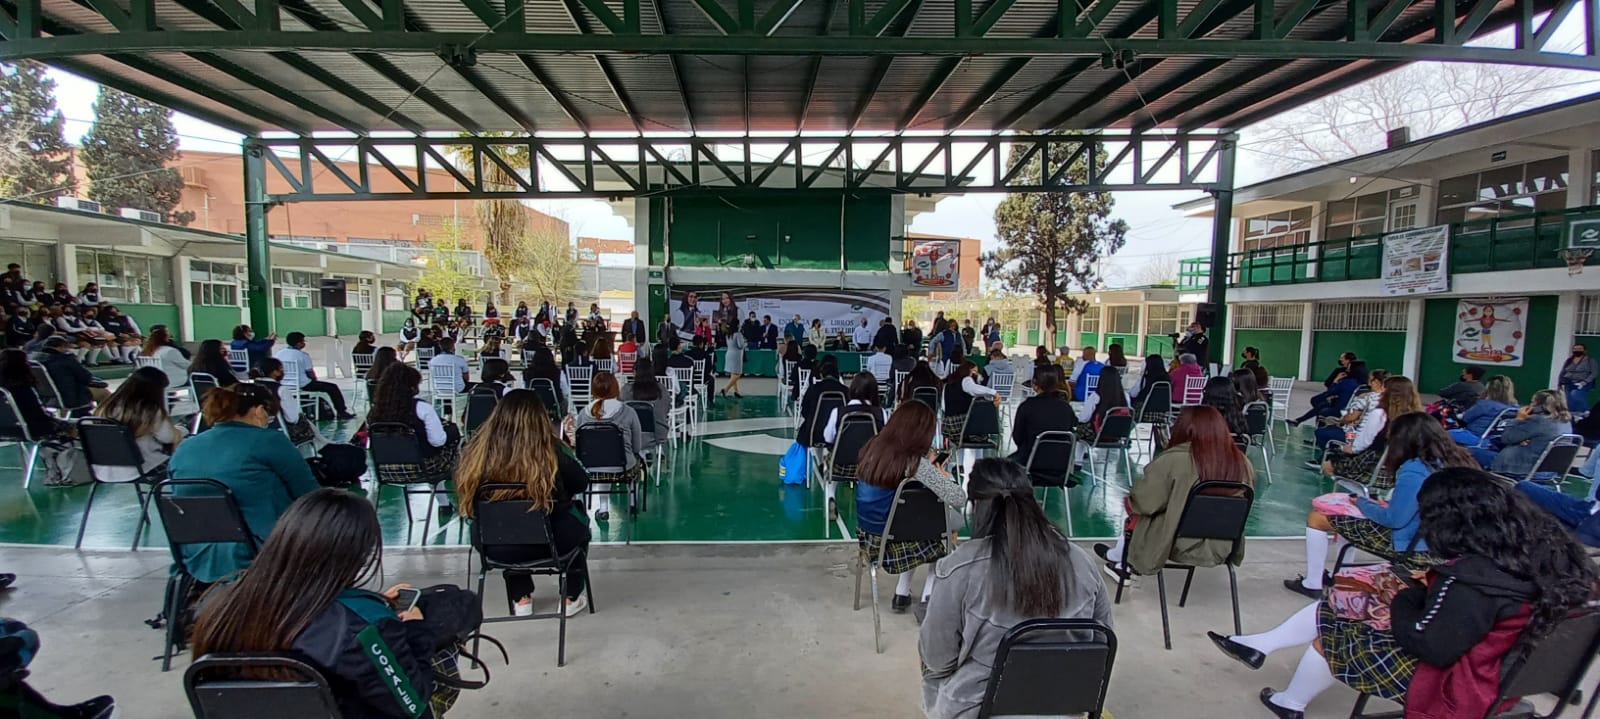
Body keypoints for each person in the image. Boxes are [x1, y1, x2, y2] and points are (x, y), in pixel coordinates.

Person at [1209, 467, 1597, 719]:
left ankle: (1288, 700)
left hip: (1460, 688)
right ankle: (1261, 648)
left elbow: (1429, 644)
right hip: (1513, 674)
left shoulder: (1470, 579)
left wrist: (1407, 594)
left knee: (1336, 624)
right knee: (1355, 598)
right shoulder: (1554, 557)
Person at [189, 489, 456, 718]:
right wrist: (417, 632)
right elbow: (412, 704)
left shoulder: (220, 604)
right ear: (356, 555)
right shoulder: (362, 628)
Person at [1285, 412, 1478, 598]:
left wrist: (1361, 502)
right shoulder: (1457, 461)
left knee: (1318, 518)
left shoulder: (1414, 469)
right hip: (1447, 543)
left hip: (1412, 546)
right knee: (1347, 519)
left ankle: (1312, 583)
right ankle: (1341, 574)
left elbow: (1393, 519)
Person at [455, 390, 591, 617]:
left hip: (493, 544)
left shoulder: (477, 452)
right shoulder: (552, 451)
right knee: (578, 522)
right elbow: (580, 482)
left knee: (507, 525)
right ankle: (570, 596)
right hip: (553, 541)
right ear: (539, 418)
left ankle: (520, 598)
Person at [168, 382, 320, 583]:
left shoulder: (186, 447)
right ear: (258, 411)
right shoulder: (268, 440)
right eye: (269, 415)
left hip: (194, 552)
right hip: (256, 549)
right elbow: (308, 493)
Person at [1095, 406, 1254, 576]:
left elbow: (1144, 503)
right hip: (1223, 546)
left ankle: (1123, 563)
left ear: (1183, 428)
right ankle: (1120, 558)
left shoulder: (1173, 460)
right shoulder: (1243, 463)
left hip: (1174, 544)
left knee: (1139, 511)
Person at [855, 401, 967, 621]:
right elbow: (958, 497)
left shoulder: (872, 447)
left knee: (917, 515)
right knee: (945, 524)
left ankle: (902, 592)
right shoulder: (915, 463)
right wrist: (943, 475)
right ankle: (928, 598)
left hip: (868, 537)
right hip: (894, 546)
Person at [367, 364, 461, 518]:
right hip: (423, 468)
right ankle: (448, 502)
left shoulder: (375, 412)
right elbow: (438, 441)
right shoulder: (422, 408)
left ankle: (445, 504)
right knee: (452, 446)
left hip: (385, 471)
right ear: (411, 386)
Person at [92, 367, 186, 482]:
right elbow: (168, 438)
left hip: (103, 471)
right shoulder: (148, 410)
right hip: (139, 469)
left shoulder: (105, 407)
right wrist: (181, 430)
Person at [1320, 375, 1421, 482]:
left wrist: (1350, 448)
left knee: (1328, 465)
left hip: (1372, 465)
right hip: (1397, 470)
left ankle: (1346, 495)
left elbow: (1364, 441)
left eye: (1383, 388)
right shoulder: (1416, 416)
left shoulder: (1379, 414)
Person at [574, 372, 645, 522]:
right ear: (616, 388)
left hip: (591, 468)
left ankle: (604, 508)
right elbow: (637, 446)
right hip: (623, 467)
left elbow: (578, 445)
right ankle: (632, 503)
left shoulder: (583, 414)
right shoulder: (628, 412)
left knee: (602, 460)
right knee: (635, 463)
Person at [820, 373, 887, 518]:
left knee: (828, 461)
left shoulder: (838, 412)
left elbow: (827, 438)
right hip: (870, 467)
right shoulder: (881, 413)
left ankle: (830, 496)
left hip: (841, 466)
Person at [1472, 389, 1573, 476]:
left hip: (1521, 468)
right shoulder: (1565, 422)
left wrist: (1518, 419)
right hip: (1550, 471)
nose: (1529, 405)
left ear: (1540, 407)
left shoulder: (1536, 421)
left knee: (1469, 452)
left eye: (1532, 402)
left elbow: (1506, 438)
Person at [272, 332, 356, 420]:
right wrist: (315, 381)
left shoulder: (279, 354)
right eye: (303, 341)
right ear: (299, 343)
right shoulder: (303, 355)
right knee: (333, 387)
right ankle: (342, 412)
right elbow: (310, 373)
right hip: (303, 384)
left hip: (284, 384)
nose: (304, 343)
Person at [1309, 369, 1389, 454]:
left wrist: (1341, 420)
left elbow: (1351, 418)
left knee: (1322, 432)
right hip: (1378, 441)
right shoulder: (1390, 399)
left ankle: (1329, 458)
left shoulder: (1366, 398)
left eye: (1370, 378)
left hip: (1355, 436)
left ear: (1375, 381)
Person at [1007, 365, 1075, 464]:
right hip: (1061, 463)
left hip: (1031, 460)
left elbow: (1018, 436)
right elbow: (1072, 430)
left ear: (1034, 384)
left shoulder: (1027, 406)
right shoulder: (1066, 407)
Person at [0, 348, 69, 439]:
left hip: (4, 429)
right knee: (68, 426)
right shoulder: (23, 390)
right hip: (27, 428)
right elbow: (36, 415)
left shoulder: (3, 390)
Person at [29, 336, 110, 409]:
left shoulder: (34, 359)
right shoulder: (66, 359)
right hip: (70, 397)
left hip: (45, 398)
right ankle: (101, 419)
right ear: (62, 347)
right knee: (105, 393)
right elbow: (86, 378)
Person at [1289, 360, 1369, 426]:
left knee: (1321, 408)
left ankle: (1317, 430)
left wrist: (1336, 381)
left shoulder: (1347, 382)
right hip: (1355, 410)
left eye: (1348, 368)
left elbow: (1330, 392)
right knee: (1322, 405)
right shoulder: (1364, 384)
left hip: (1341, 409)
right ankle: (1299, 420)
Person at [1449, 375, 1517, 446]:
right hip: (1498, 442)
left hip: (1477, 439)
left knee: (1445, 433)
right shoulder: (1516, 408)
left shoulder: (1485, 405)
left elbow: (1465, 419)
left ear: (1489, 389)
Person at [942, 359, 999, 443]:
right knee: (983, 410)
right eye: (974, 371)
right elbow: (975, 388)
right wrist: (994, 393)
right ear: (968, 371)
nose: (976, 374)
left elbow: (943, 407)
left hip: (948, 425)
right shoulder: (966, 380)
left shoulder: (949, 383)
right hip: (960, 425)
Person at [621, 358, 671, 450]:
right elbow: (667, 409)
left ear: (634, 372)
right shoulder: (661, 390)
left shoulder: (626, 390)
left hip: (630, 437)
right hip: (657, 435)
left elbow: (620, 412)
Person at [797, 355, 847, 446]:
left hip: (814, 433)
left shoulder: (813, 389)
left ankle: (817, 459)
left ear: (821, 374)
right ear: (837, 374)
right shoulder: (845, 390)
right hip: (839, 433)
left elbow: (804, 412)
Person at [1075, 365, 1128, 444]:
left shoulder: (1095, 396)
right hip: (1119, 435)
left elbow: (1084, 418)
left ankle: (1079, 456)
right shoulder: (1125, 396)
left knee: (1078, 431)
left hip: (1098, 434)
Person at [1559, 343, 1596, 414]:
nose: (1577, 350)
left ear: (1585, 351)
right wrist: (1560, 383)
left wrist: (1584, 382)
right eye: (1575, 349)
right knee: (1569, 399)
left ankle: (1585, 412)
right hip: (1569, 382)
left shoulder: (1590, 360)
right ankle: (1572, 414)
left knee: (1576, 394)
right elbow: (1563, 371)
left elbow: (1594, 373)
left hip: (1584, 383)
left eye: (1579, 349)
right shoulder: (1569, 360)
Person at [722, 327, 748, 399]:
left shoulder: (728, 334)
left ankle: (736, 391)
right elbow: (740, 346)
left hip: (729, 353)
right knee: (738, 374)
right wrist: (745, 343)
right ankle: (725, 389)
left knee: (733, 374)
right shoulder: (738, 334)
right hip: (736, 356)